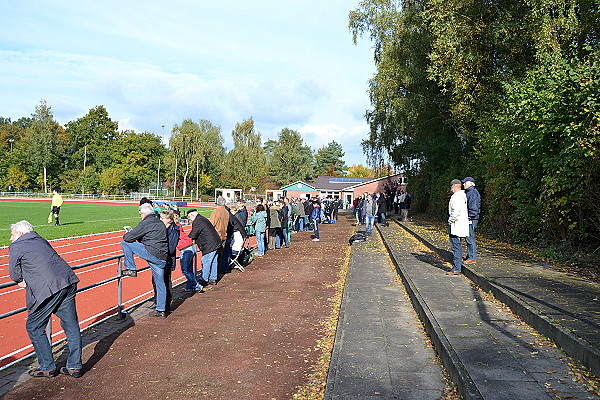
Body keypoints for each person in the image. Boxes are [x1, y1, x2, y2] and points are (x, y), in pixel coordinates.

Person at [9, 220, 83, 378]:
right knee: (71, 325)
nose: (10, 238)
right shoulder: (41, 239)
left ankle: (47, 367)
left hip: (49, 288)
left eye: (12, 234)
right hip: (67, 281)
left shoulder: (17, 245)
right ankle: (74, 366)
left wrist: (20, 280)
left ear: (21, 234)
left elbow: (14, 274)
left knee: (34, 326)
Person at [121, 203, 169, 318]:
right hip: (163, 257)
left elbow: (127, 238)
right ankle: (161, 309)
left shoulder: (145, 222)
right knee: (160, 283)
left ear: (143, 213)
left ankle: (131, 268)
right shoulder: (159, 222)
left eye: (140, 214)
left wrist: (130, 233)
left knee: (125, 242)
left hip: (153, 253)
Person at [187, 209, 221, 286]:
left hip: (209, 244)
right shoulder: (202, 218)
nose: (190, 220)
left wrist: (186, 239)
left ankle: (204, 279)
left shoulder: (198, 221)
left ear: (192, 215)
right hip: (215, 243)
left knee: (206, 261)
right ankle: (213, 278)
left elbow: (193, 234)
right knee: (213, 261)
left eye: (190, 218)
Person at [174, 213, 203, 293]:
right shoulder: (178, 226)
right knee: (189, 270)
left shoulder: (174, 228)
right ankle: (189, 287)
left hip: (186, 248)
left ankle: (197, 286)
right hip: (190, 246)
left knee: (185, 270)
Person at [446, 179, 469, 275]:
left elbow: (455, 212)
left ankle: (456, 268)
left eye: (451, 186)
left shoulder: (456, 197)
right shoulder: (462, 196)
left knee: (455, 247)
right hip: (459, 224)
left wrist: (450, 220)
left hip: (455, 225)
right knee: (457, 246)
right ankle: (457, 267)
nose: (451, 188)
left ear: (454, 186)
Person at [159, 209, 179, 312]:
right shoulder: (162, 229)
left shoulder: (173, 231)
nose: (160, 220)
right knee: (157, 281)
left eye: (162, 218)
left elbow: (171, 248)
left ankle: (165, 306)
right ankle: (160, 303)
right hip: (161, 259)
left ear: (169, 220)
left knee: (165, 281)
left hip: (167, 260)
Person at [210, 196, 232, 275]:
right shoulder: (226, 212)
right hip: (224, 235)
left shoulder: (216, 212)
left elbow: (211, 224)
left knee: (214, 256)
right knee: (221, 256)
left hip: (216, 236)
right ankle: (219, 272)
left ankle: (214, 274)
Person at [462, 177, 481, 264]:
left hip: (471, 218)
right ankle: (470, 255)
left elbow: (473, 206)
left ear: (471, 183)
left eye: (465, 182)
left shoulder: (472, 193)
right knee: (468, 236)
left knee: (470, 237)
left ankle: (472, 257)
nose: (463, 184)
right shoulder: (469, 192)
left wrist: (470, 216)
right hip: (470, 217)